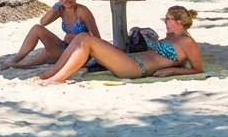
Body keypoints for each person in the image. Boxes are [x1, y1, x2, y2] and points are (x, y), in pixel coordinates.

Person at [38, 6, 202, 84]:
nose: (165, 21)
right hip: (129, 60)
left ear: (179, 22)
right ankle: (52, 72)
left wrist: (171, 70)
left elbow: (197, 69)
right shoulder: (170, 37)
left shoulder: (187, 42)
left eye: (168, 19)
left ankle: (58, 78)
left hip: (136, 68)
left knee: (88, 40)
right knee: (82, 36)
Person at [0, 0, 101, 69]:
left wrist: (97, 59)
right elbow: (43, 22)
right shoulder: (61, 9)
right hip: (64, 46)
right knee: (37, 28)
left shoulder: (82, 11)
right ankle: (16, 60)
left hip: (77, 50)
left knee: (48, 54)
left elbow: (96, 37)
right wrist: (55, 7)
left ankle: (16, 64)